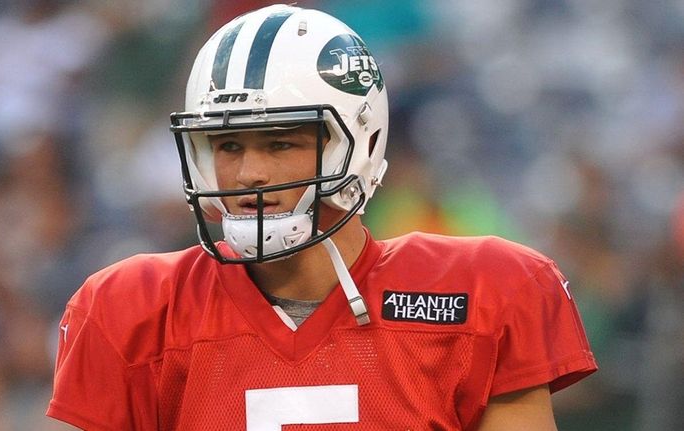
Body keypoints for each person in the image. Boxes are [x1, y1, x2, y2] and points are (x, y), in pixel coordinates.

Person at [47, 4, 597, 430]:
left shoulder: (488, 291)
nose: (248, 174)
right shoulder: (132, 311)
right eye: (228, 146)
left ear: (359, 143)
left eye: (280, 143)